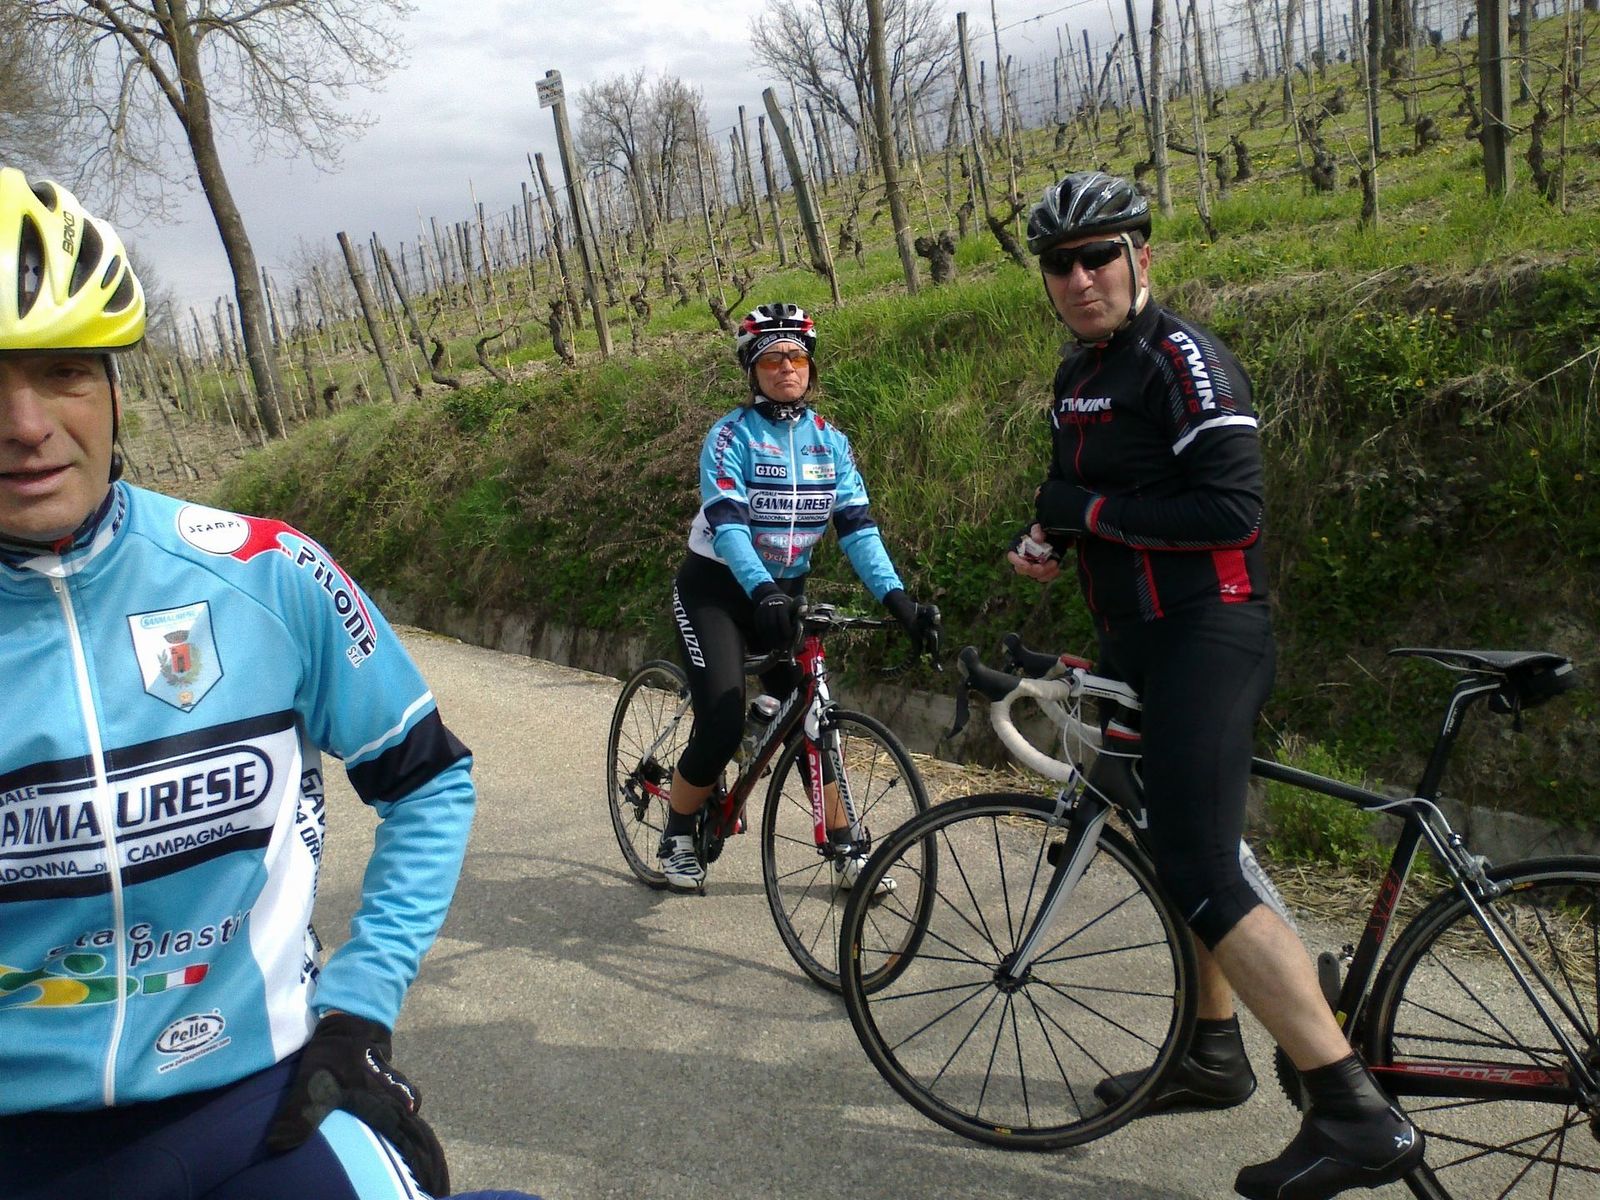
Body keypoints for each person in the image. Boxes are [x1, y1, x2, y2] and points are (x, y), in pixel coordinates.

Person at [0, 168, 536, 1200]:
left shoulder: (266, 571)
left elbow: (428, 781)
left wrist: (360, 1007)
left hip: (257, 1108)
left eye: (62, 371)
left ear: (113, 389)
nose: (25, 423)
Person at [1008, 171, 1424, 1200]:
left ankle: (1351, 1114)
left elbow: (1231, 512)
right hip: (1135, 636)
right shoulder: (1078, 374)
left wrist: (1087, 515)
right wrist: (1051, 532)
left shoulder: (1181, 360)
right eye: (1059, 264)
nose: (1079, 278)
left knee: (1200, 863)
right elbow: (1095, 492)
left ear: (1140, 257)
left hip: (1208, 632)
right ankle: (1210, 1050)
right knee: (1170, 839)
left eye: (1098, 256)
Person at [661, 302, 938, 891]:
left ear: (810, 367)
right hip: (717, 591)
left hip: (782, 595)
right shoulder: (730, 436)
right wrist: (760, 588)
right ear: (752, 371)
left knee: (813, 719)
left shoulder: (830, 442)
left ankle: (845, 846)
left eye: (797, 357)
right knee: (721, 719)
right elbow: (728, 525)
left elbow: (858, 529)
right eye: (772, 358)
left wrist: (898, 600)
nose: (787, 367)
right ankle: (677, 831)